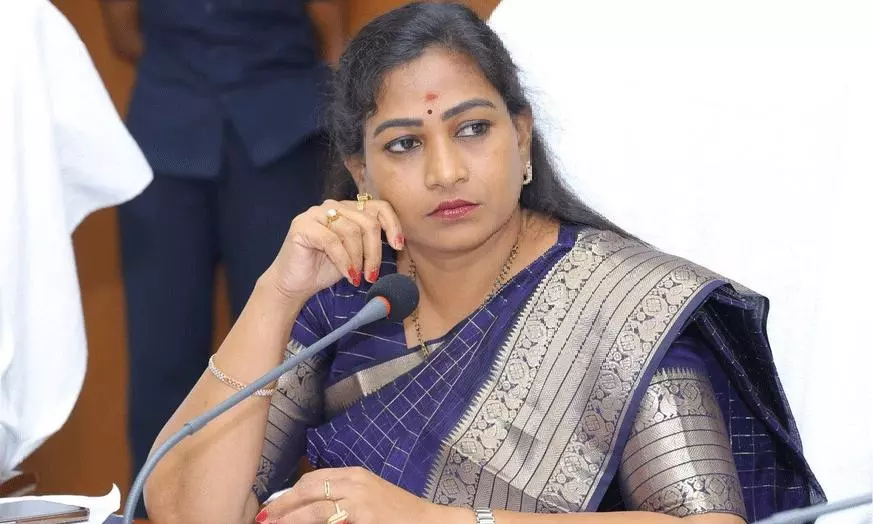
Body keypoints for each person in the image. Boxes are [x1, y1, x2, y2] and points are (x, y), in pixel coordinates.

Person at [143, 3, 823, 523]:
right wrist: (275, 293)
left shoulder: (620, 305)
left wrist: (436, 520)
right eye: (404, 143)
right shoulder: (346, 302)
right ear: (361, 172)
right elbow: (185, 513)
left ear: (521, 139)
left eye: (472, 129)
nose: (445, 171)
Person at [99, 0, 343, 516]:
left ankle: (273, 512)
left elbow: (329, 22)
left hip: (282, 130)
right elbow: (122, 30)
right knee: (160, 354)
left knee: (282, 350)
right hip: (167, 130)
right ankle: (151, 511)